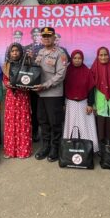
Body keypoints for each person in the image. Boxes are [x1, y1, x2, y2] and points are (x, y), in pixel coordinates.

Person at [32, 27, 68, 162]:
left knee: (55, 122)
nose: (46, 38)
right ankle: (45, 146)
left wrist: (44, 85)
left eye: (49, 36)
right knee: (43, 121)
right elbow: (35, 71)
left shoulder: (60, 53)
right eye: (44, 36)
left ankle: (55, 148)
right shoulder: (40, 52)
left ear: (54, 38)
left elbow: (61, 75)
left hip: (53, 94)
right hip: (40, 94)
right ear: (41, 38)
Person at [63, 49, 97, 151]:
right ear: (71, 59)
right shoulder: (66, 71)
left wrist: (90, 104)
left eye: (79, 58)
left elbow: (91, 89)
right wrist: (63, 104)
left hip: (84, 103)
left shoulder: (87, 71)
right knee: (71, 125)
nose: (77, 60)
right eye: (75, 58)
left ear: (82, 59)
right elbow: (63, 88)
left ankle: (89, 149)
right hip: (70, 103)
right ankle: (69, 149)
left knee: (86, 126)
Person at [2, 43, 33, 158]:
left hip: (23, 96)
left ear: (21, 52)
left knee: (22, 122)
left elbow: (31, 78)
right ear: (9, 53)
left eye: (17, 51)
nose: (14, 53)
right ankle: (10, 151)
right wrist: (8, 84)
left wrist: (24, 85)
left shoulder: (26, 64)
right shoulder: (6, 65)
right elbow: (4, 80)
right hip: (11, 97)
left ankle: (23, 151)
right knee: (11, 122)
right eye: (12, 51)